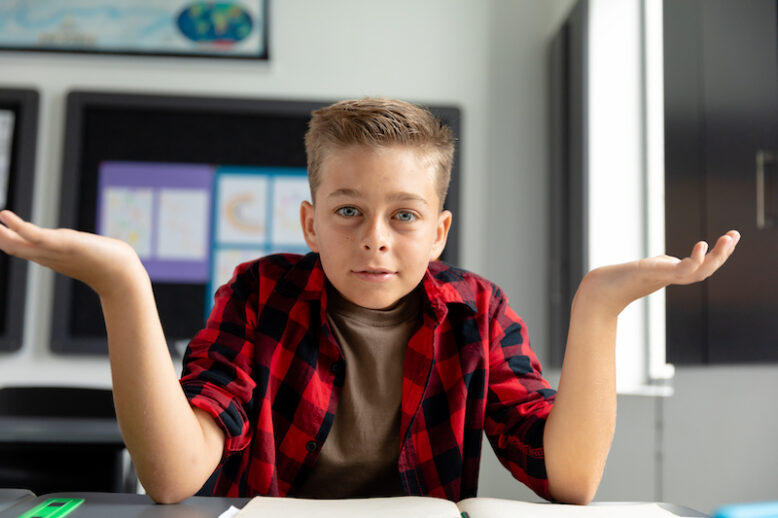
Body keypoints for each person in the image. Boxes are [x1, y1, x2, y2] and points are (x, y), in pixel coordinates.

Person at [0, 98, 739, 505]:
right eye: (348, 211)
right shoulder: (259, 293)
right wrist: (122, 281)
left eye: (405, 215)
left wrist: (599, 306)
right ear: (310, 222)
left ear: (440, 230)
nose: (375, 240)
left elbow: (568, 478)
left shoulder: (476, 310)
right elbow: (172, 476)